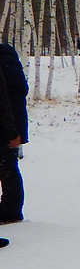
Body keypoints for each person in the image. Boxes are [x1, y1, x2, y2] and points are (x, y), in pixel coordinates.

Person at [0, 43, 29, 226]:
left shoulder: (5, 63)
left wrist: (12, 131)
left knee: (8, 166)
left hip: (7, 124)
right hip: (11, 123)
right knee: (9, 166)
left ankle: (11, 210)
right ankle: (11, 209)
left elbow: (5, 100)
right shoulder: (9, 58)